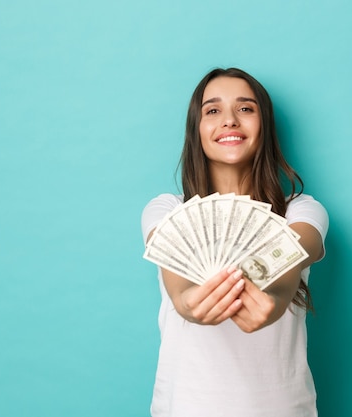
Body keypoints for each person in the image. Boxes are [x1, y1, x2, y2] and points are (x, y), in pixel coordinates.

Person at [141, 67, 329, 417]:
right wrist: (186, 303)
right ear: (196, 130)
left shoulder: (301, 211)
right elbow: (175, 271)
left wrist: (273, 300)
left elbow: (295, 255)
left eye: (245, 108)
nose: (229, 120)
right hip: (185, 406)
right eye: (212, 110)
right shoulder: (166, 209)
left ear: (265, 125)